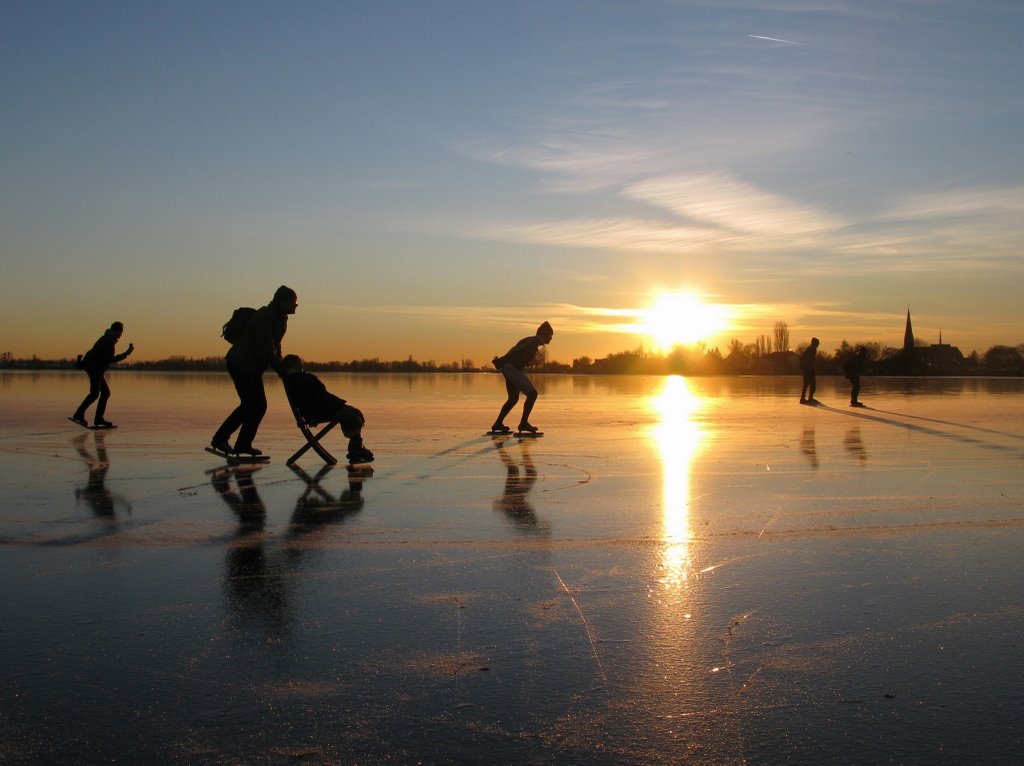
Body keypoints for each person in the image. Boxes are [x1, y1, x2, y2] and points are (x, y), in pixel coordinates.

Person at [211, 285, 297, 458]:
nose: (295, 306)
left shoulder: (280, 318)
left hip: (252, 365)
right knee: (253, 405)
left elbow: (275, 345)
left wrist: (279, 364)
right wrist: (279, 368)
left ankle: (241, 443)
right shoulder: (266, 315)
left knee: (255, 405)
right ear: (282, 302)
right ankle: (222, 439)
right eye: (293, 302)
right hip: (242, 363)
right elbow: (266, 344)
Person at [278, 354, 374, 464]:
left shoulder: (298, 378)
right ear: (294, 364)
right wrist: (338, 406)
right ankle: (355, 449)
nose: (302, 364)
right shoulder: (300, 379)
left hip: (322, 408)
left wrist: (339, 404)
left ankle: (356, 448)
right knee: (352, 415)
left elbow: (320, 396)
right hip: (319, 411)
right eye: (300, 362)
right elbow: (315, 398)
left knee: (354, 412)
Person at [490, 321, 554, 434]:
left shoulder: (532, 341)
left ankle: (498, 423)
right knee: (532, 394)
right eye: (550, 335)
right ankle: (523, 423)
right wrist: (502, 360)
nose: (551, 338)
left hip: (509, 368)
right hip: (511, 369)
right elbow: (516, 350)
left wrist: (505, 361)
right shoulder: (534, 341)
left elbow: (517, 349)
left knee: (513, 398)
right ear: (544, 334)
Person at [70, 321, 134, 428]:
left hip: (95, 369)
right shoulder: (107, 341)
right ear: (114, 331)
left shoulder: (108, 339)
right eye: (119, 332)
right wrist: (126, 354)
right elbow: (108, 359)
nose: (120, 335)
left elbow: (91, 352)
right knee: (95, 393)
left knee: (104, 393)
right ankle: (80, 414)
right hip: (94, 369)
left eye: (121, 333)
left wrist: (81, 363)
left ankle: (97, 418)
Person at [799, 337, 820, 405]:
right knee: (808, 383)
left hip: (809, 368)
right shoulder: (811, 349)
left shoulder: (812, 349)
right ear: (814, 343)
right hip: (808, 369)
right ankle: (803, 398)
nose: (818, 345)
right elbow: (807, 359)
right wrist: (808, 367)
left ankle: (809, 397)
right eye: (817, 343)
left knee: (811, 383)